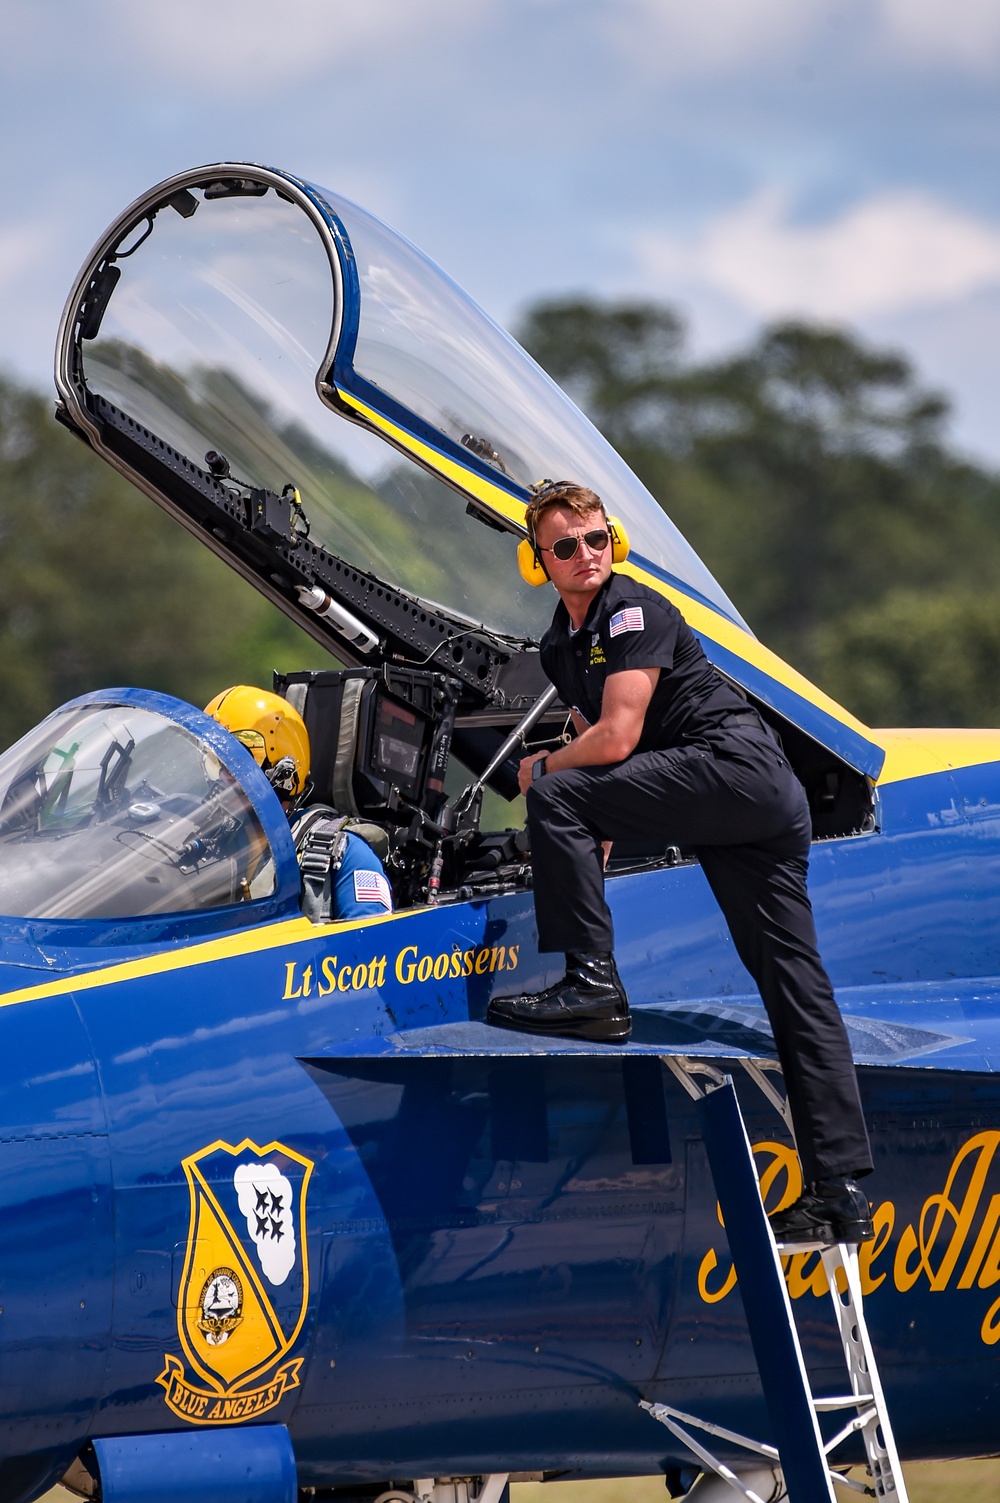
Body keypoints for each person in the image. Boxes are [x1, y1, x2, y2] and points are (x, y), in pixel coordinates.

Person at [486, 483, 873, 1245]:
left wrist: (542, 774)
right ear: (539, 563)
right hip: (745, 801)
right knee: (794, 986)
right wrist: (580, 826)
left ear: (614, 541)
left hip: (734, 771)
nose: (587, 555)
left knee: (555, 791)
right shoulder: (559, 648)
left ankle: (592, 987)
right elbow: (598, 759)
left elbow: (617, 739)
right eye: (566, 546)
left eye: (597, 538)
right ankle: (839, 1190)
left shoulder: (635, 609)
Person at [205, 686, 392, 920]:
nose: (223, 774)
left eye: (239, 759)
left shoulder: (345, 855)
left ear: (284, 769)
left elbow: (372, 948)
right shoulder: (211, 848)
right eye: (217, 760)